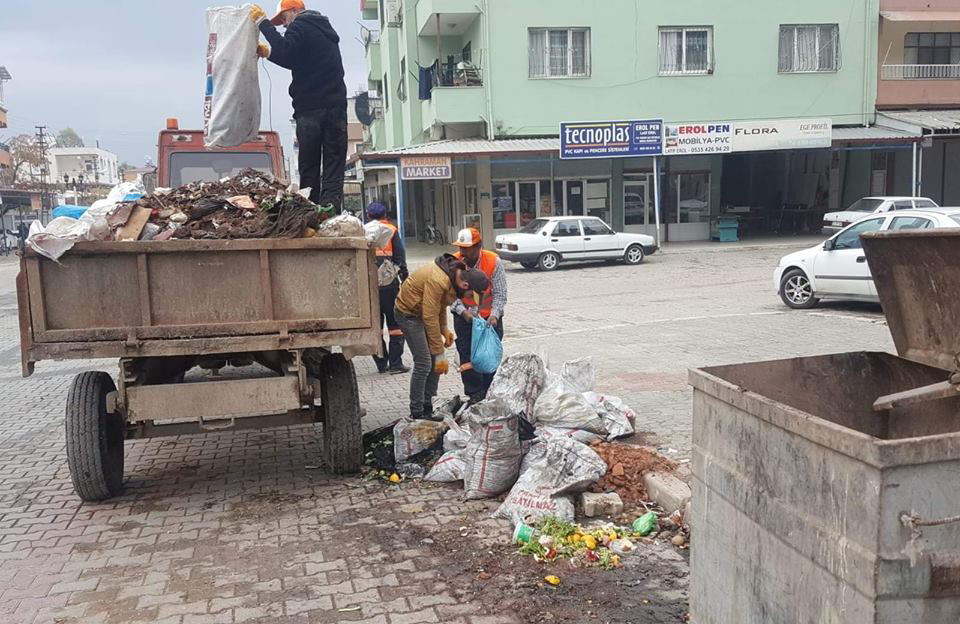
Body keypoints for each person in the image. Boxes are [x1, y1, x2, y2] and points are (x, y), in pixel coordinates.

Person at [251, 1, 347, 215]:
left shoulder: (300, 25)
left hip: (310, 109)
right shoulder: (324, 30)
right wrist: (269, 53)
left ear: (293, 11)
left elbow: (287, 50)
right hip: (336, 108)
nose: (284, 26)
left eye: (283, 19)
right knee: (334, 162)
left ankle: (311, 208)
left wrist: (263, 23)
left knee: (309, 163)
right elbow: (297, 58)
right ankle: (330, 210)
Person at [395, 255, 490, 420]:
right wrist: (439, 352)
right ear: (465, 285)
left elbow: (440, 305)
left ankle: (428, 404)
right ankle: (417, 411)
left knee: (435, 363)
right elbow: (430, 316)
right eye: (470, 295)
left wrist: (444, 329)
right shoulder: (439, 280)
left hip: (423, 312)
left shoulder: (454, 276)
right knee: (425, 362)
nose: (469, 300)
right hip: (408, 314)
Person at [450, 228, 507, 404]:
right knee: (467, 357)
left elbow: (500, 293)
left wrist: (495, 315)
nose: (463, 252)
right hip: (465, 319)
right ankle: (474, 395)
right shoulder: (454, 262)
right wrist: (463, 312)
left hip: (489, 320)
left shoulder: (492, 261)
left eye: (467, 248)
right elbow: (449, 294)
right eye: (461, 248)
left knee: (489, 357)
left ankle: (490, 393)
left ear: (478, 246)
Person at [368, 202, 410, 375]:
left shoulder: (363, 231)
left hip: (370, 287)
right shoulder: (391, 230)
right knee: (396, 325)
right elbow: (400, 256)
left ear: (369, 216)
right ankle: (395, 363)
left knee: (375, 327)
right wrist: (405, 279)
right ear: (385, 215)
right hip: (389, 284)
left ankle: (380, 362)